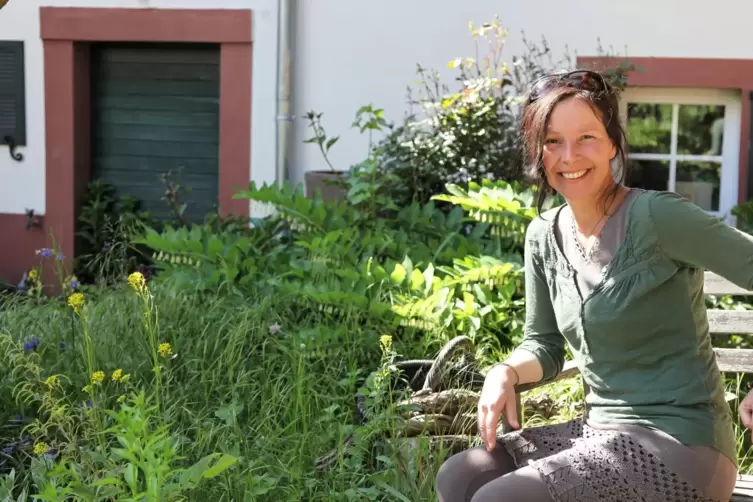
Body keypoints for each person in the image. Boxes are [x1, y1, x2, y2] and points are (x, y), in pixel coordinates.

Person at [434, 69, 753, 502]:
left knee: (499, 499)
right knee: (461, 476)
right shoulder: (543, 235)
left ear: (612, 143)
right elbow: (542, 346)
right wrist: (504, 371)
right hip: (598, 433)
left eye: (586, 137)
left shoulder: (657, 217)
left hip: (682, 445)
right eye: (552, 141)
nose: (569, 156)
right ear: (537, 151)